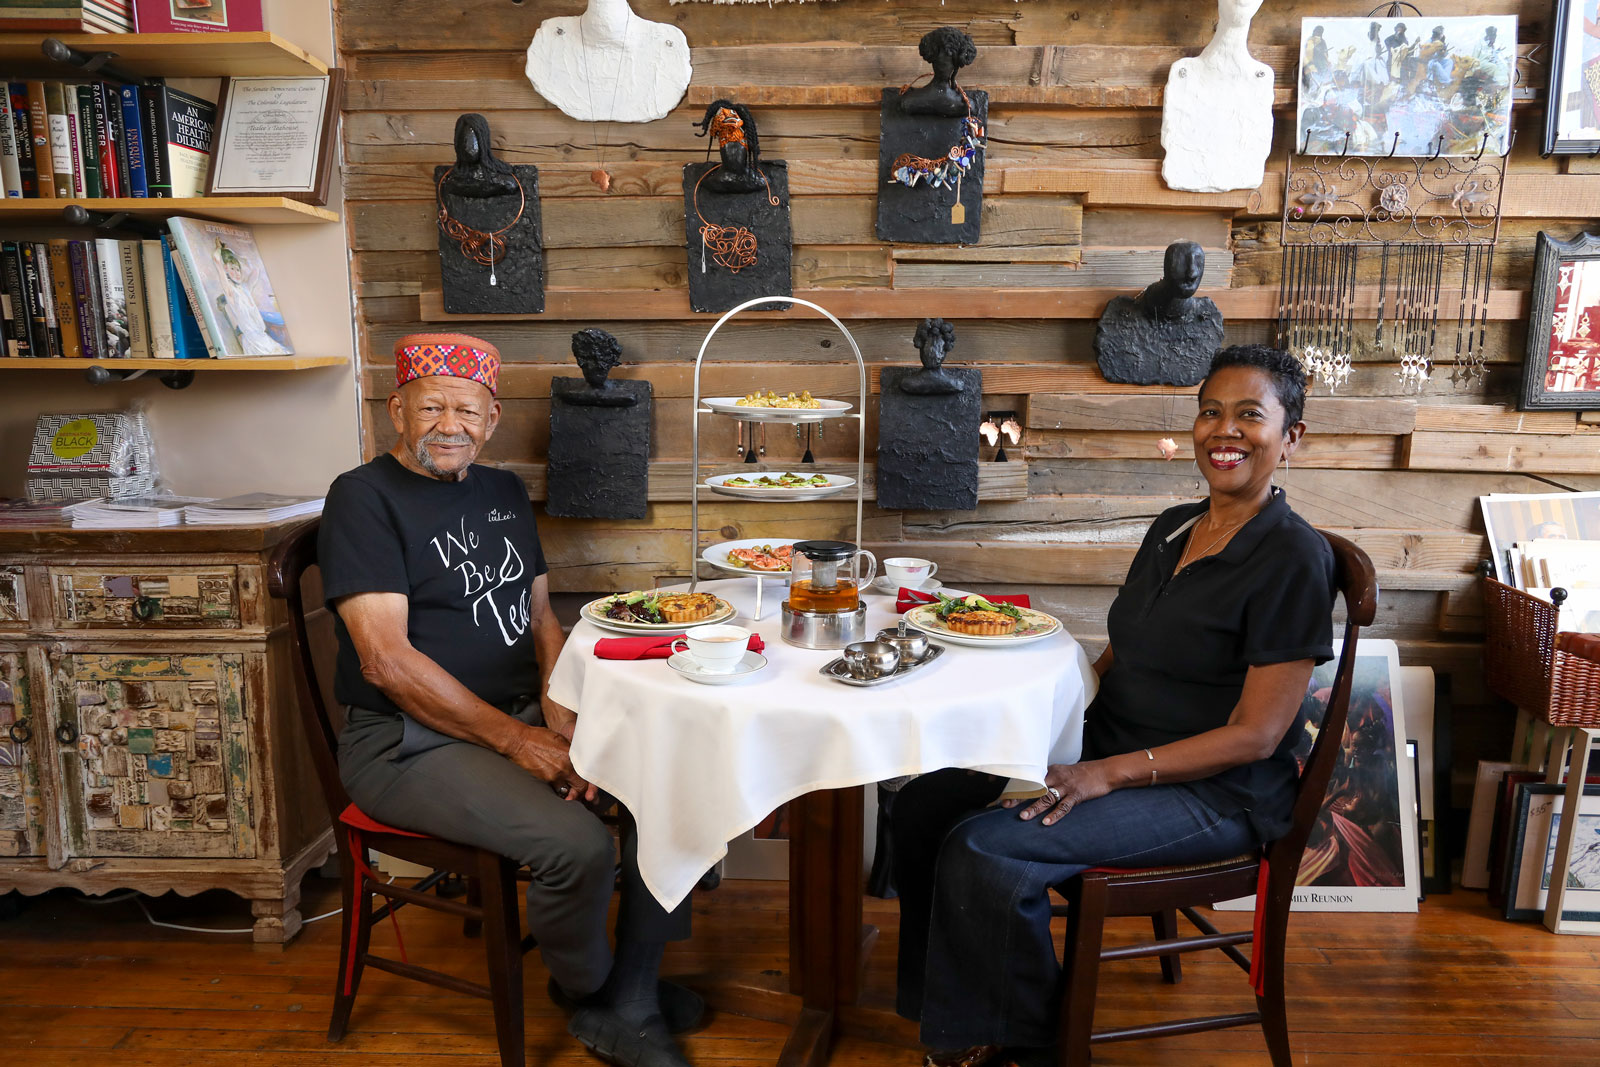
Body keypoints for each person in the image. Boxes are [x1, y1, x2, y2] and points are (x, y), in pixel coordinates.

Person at [891, 344, 1336, 1067]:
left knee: (988, 846)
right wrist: (1045, 735)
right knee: (923, 806)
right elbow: (1121, 654)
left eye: (1250, 415)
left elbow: (1257, 735)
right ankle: (951, 1012)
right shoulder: (1172, 528)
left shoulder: (1292, 557)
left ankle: (1021, 1044)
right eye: (1211, 412)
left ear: (1290, 437)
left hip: (1214, 791)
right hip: (1111, 746)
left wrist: (1106, 772)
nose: (1225, 431)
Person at [322, 333, 699, 1067]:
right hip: (404, 742)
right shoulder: (361, 498)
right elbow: (387, 662)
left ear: (491, 420)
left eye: (466, 410)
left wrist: (561, 713)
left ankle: (635, 984)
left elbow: (542, 619)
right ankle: (593, 994)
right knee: (576, 844)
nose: (449, 425)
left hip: (517, 713)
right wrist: (519, 741)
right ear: (395, 411)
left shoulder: (501, 492)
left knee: (669, 783)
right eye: (430, 407)